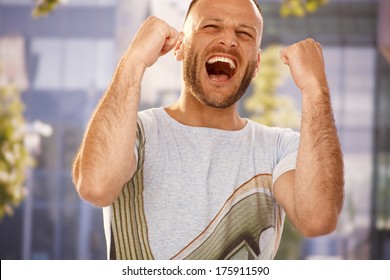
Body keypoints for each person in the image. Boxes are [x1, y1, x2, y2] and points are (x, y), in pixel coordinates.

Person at [72, 0, 344, 260]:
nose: (229, 39)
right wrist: (133, 61)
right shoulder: (136, 131)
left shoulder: (280, 148)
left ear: (257, 64)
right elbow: (96, 187)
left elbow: (317, 219)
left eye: (244, 33)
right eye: (211, 27)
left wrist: (315, 90)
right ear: (180, 47)